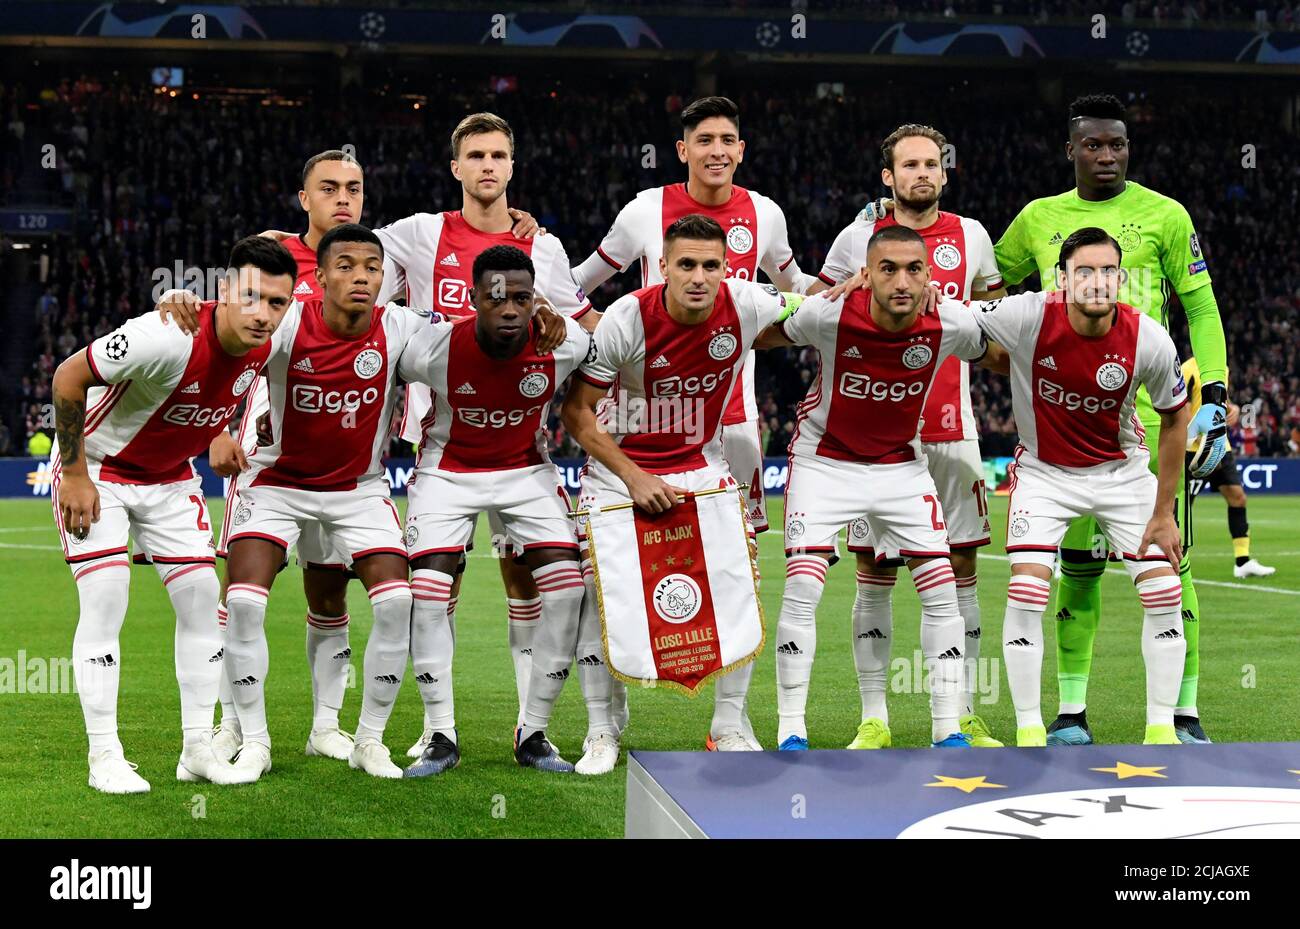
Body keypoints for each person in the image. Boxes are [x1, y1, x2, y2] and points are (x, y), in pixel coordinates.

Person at [571, 95, 817, 744]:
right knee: (613, 577)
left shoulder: (764, 213)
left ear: (741, 149)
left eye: (728, 140)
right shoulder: (644, 210)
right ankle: (607, 721)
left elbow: (800, 291)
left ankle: (728, 725)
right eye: (703, 139)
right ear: (682, 149)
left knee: (741, 574)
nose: (716, 150)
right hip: (642, 415)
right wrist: (602, 335)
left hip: (731, 422)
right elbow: (578, 281)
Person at [992, 94, 1227, 745]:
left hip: (1154, 426)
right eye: (1093, 145)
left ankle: (1181, 714)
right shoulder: (1038, 219)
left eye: (1117, 144)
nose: (1106, 155)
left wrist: (1217, 394)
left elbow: (1201, 310)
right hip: (1067, 429)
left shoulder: (1166, 215)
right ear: (1071, 150)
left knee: (1168, 566)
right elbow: (991, 290)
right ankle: (1069, 712)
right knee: (1080, 568)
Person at [371, 113, 592, 758]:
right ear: (456, 167)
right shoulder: (419, 234)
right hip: (442, 436)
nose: (488, 165)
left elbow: (580, 326)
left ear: (512, 166)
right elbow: (346, 257)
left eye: (499, 154)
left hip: (524, 445)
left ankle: (533, 728)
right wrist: (293, 243)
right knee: (438, 588)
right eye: (476, 155)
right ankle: (438, 727)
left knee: (532, 585)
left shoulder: (543, 250)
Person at [50, 235, 297, 793]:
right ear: (225, 290)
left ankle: (196, 749)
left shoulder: (268, 340)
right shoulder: (165, 335)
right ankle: (104, 758)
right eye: (252, 297)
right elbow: (68, 377)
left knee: (201, 603)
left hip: (168, 479)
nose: (264, 314)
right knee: (107, 597)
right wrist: (73, 474)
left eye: (277, 303)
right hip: (99, 470)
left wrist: (220, 432)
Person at [759, 224, 1006, 750]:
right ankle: (791, 731)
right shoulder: (829, 313)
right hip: (825, 461)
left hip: (902, 465)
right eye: (887, 269)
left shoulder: (951, 321)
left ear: (930, 277)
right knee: (804, 587)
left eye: (914, 269)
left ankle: (948, 731)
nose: (901, 281)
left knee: (941, 592)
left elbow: (1003, 351)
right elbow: (761, 330)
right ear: (865, 275)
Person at [562, 214, 793, 769]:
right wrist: (634, 477)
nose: (698, 276)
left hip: (702, 465)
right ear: (662, 266)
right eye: (685, 264)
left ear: (725, 269)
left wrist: (857, 287)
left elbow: (815, 309)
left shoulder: (747, 303)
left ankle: (730, 725)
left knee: (739, 587)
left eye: (710, 265)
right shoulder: (626, 318)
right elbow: (576, 412)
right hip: (621, 470)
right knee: (599, 605)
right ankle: (602, 731)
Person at [814, 124, 1008, 748]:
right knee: (874, 571)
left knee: (961, 568)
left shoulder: (972, 236)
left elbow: (994, 324)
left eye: (933, 164)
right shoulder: (855, 237)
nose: (923, 173)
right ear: (887, 177)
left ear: (944, 173)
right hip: (873, 437)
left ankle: (962, 713)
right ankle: (875, 717)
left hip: (952, 431)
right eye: (910, 165)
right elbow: (816, 313)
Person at [973, 227, 1191, 746]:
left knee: (1163, 591)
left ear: (1122, 277)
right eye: (1084, 271)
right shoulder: (1028, 313)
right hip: (1045, 473)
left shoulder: (1148, 338)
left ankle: (1160, 727)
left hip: (1122, 472)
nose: (1098, 281)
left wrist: (1164, 512)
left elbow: (1176, 420)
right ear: (1063, 279)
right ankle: (1029, 729)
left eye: (1108, 271)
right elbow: (959, 319)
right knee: (1027, 588)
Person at [397, 245, 590, 777]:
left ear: (536, 301)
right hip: (447, 471)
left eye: (522, 299)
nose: (509, 309)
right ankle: (440, 734)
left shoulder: (567, 343)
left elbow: (607, 374)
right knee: (428, 595)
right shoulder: (432, 348)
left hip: (527, 472)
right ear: (474, 298)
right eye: (496, 297)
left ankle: (533, 733)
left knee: (568, 591)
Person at [1182, 357, 1276, 578]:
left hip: (1219, 447)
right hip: (1191, 450)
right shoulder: (1187, 369)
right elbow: (1183, 408)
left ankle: (1242, 562)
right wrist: (1195, 436)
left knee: (1237, 497)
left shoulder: (1221, 369)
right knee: (1183, 508)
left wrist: (1232, 408)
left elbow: (1221, 401)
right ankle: (1171, 561)